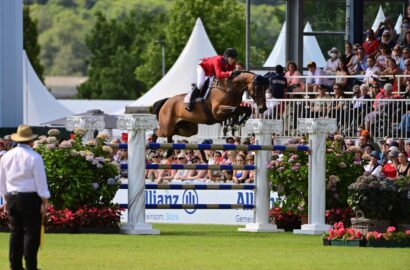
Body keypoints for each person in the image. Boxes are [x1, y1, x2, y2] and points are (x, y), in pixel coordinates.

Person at [0, 125, 50, 270]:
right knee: (31, 233)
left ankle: (15, 265)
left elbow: (2, 180)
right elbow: (40, 182)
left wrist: (5, 198)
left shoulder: (6, 156)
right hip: (30, 198)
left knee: (15, 232)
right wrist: (44, 201)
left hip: (12, 197)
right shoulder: (34, 157)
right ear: (31, 141)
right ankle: (30, 266)